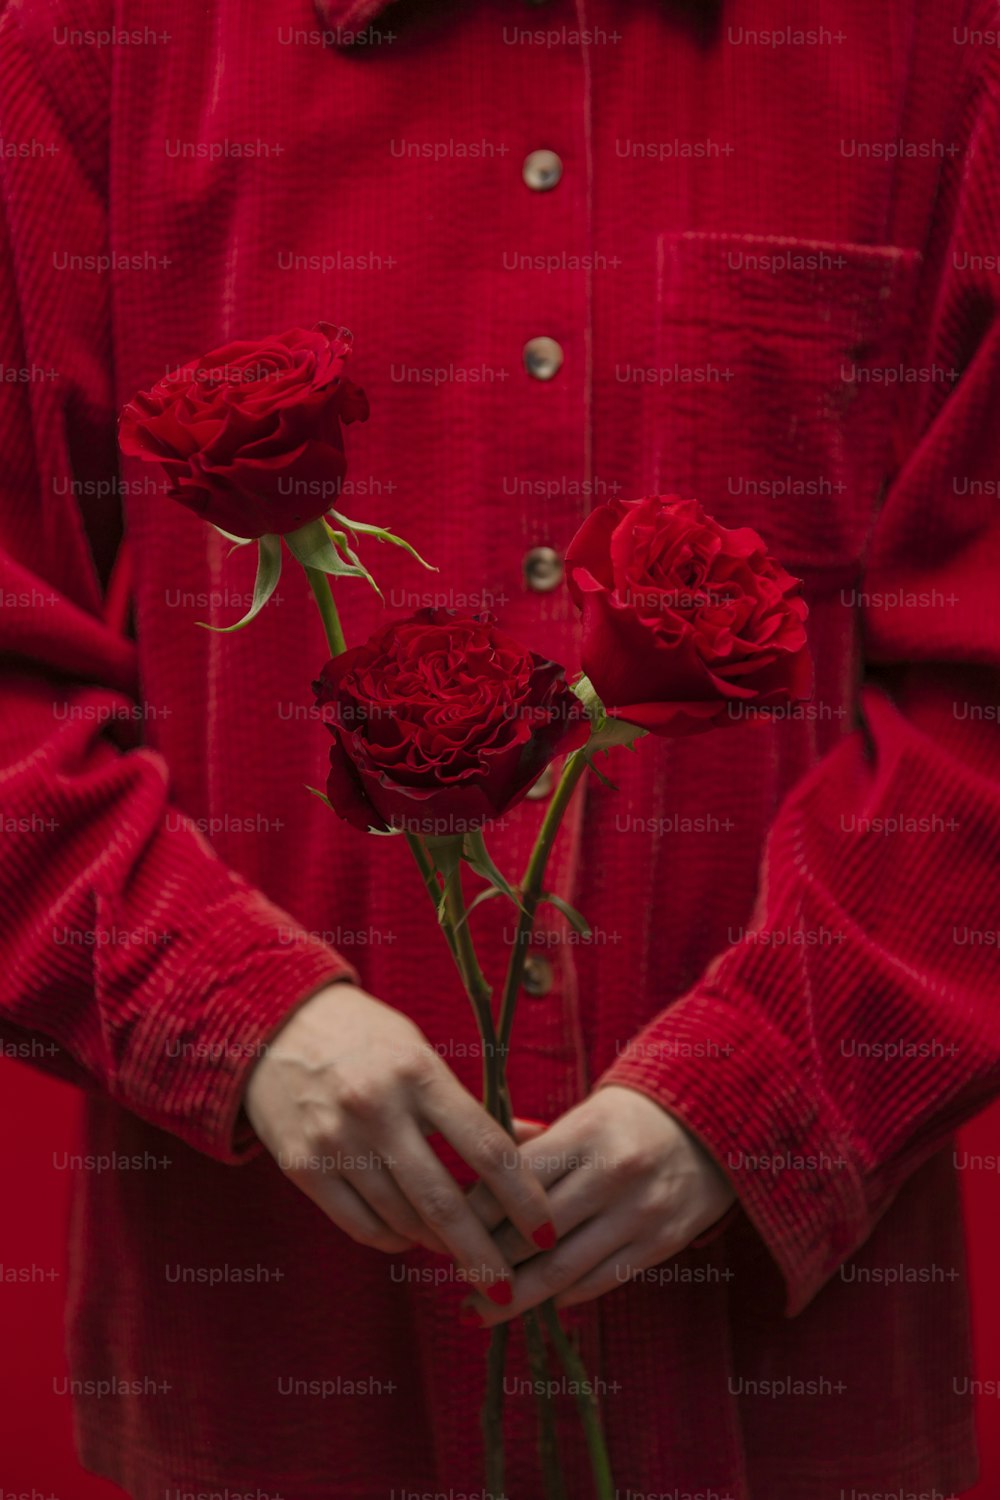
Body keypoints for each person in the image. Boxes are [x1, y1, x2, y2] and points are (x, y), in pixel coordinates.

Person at [1, 0, 999, 1494]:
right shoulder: (95, 48)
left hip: (776, 1380)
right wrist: (237, 1013)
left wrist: (773, 1082)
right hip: (271, 1358)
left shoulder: (930, 50)